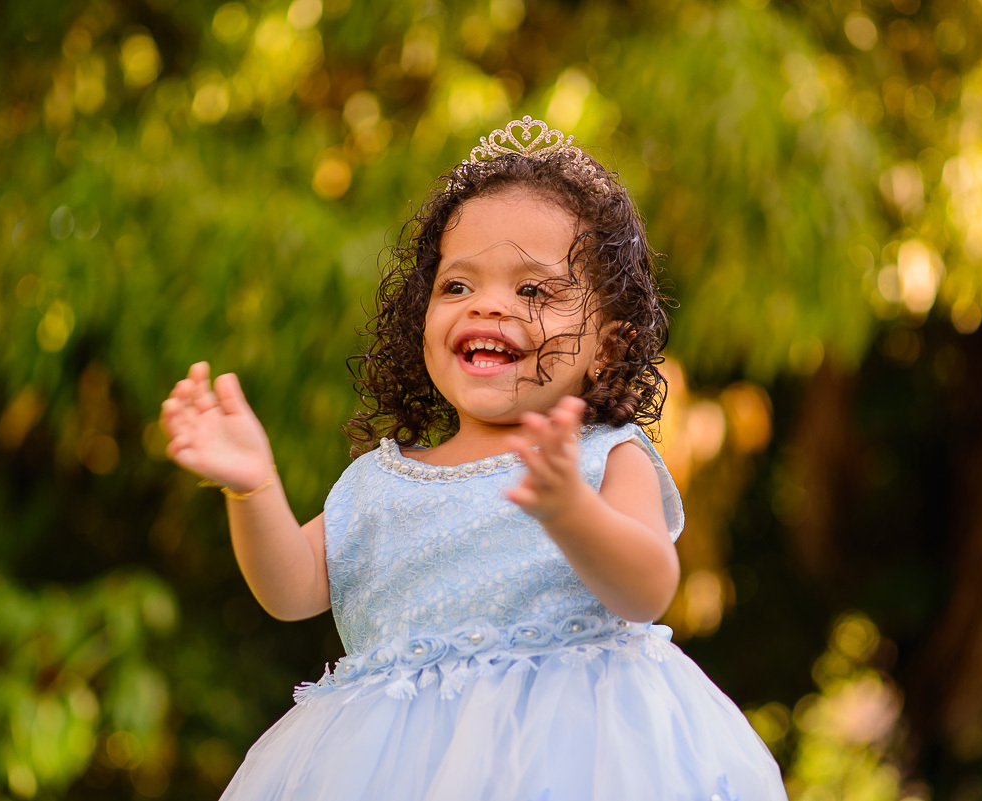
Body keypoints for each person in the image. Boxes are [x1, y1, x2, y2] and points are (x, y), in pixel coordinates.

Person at [161, 117, 788, 800]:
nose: (487, 306)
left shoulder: (601, 458)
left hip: (574, 760)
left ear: (607, 347)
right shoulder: (380, 483)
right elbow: (291, 590)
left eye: (533, 290)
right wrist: (254, 489)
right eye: (457, 286)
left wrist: (571, 513)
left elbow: (647, 588)